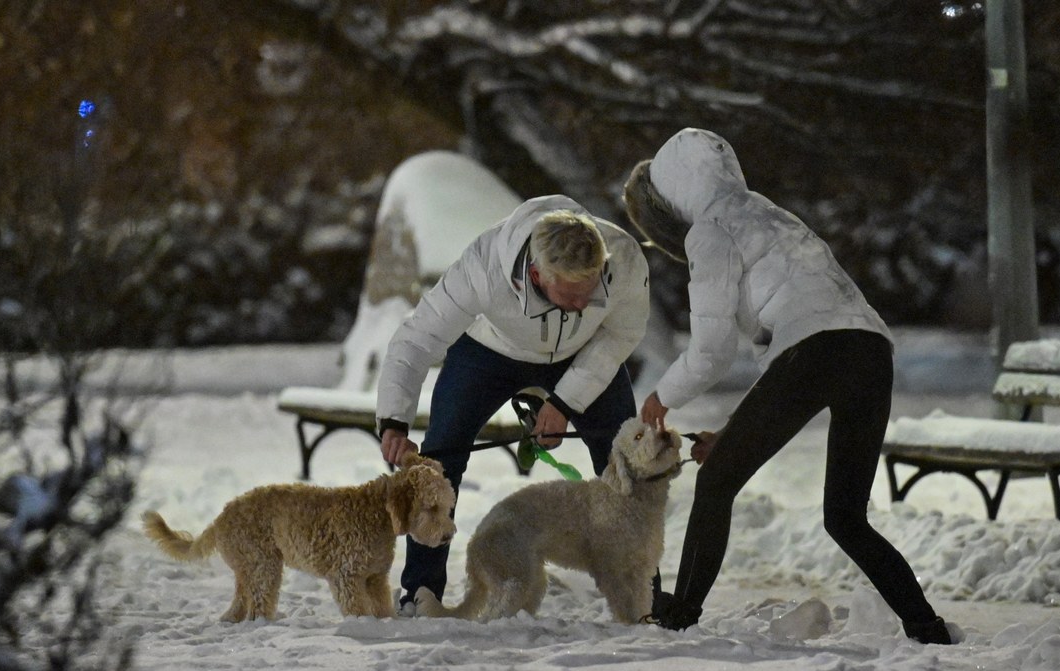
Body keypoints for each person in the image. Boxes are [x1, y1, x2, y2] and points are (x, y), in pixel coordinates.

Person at [624, 128, 953, 644]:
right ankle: (925, 626)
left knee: (715, 486)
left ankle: (679, 617)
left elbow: (713, 350)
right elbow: (790, 349)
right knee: (845, 516)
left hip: (816, 351)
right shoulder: (773, 214)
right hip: (870, 351)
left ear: (673, 192)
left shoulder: (710, 229)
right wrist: (733, 435)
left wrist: (661, 397)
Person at [376, 194, 651, 614]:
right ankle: (420, 591)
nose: (582, 305)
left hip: (586, 352)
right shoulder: (483, 268)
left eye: (590, 293)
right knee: (439, 457)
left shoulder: (625, 259)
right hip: (490, 352)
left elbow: (619, 335)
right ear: (536, 275)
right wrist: (394, 420)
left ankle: (646, 592)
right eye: (571, 295)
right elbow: (417, 339)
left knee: (626, 458)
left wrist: (565, 402)